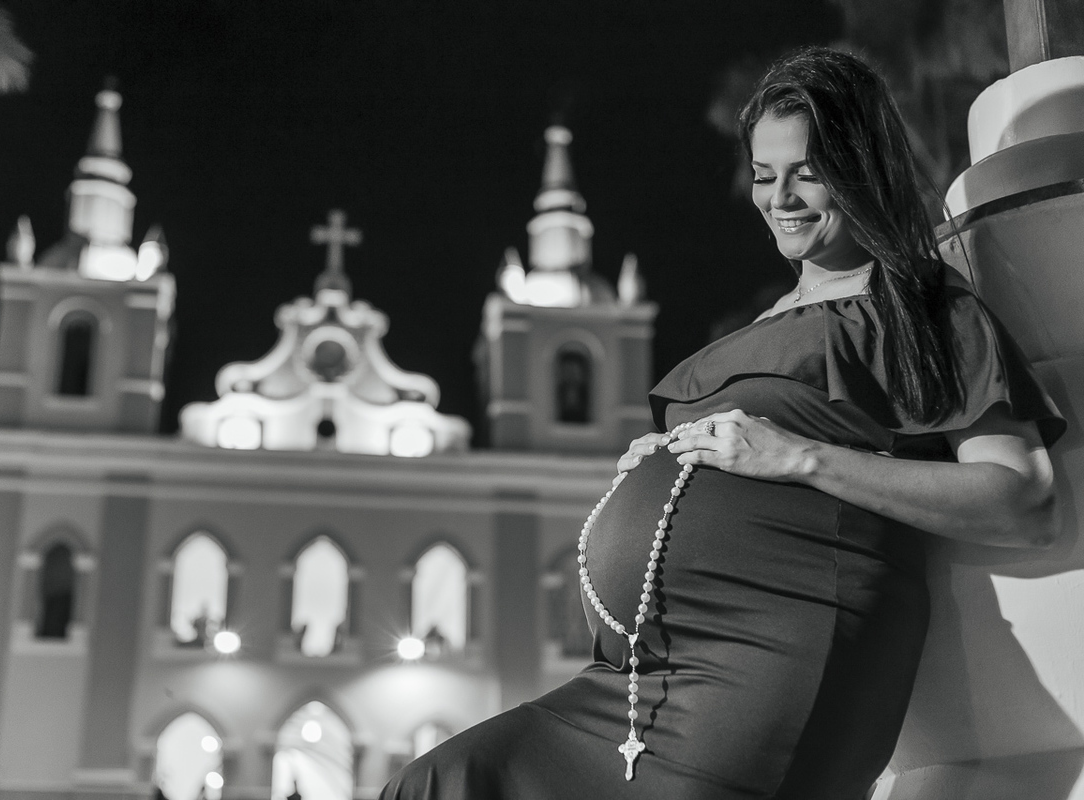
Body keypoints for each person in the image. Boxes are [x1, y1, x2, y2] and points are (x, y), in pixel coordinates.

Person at [380, 46, 1065, 800]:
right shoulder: (758, 329)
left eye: (808, 172)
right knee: (441, 781)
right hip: (631, 680)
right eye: (765, 176)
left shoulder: (919, 306)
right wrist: (658, 464)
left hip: (767, 662)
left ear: (862, 168)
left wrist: (799, 456)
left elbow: (1023, 501)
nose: (781, 198)